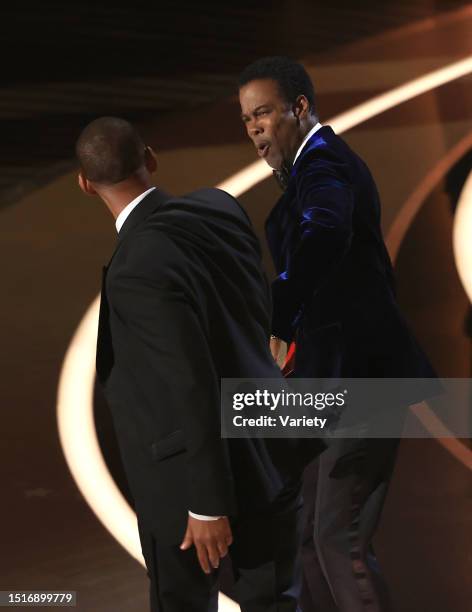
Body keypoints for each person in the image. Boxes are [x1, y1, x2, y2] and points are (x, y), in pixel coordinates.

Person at [76, 116, 324, 612]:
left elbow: (188, 382)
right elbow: (257, 308)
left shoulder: (135, 270)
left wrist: (207, 502)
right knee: (278, 600)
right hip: (269, 449)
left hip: (189, 490)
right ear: (150, 157)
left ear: (85, 185)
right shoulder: (219, 207)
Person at [238, 56, 437, 612]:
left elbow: (324, 231)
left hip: (363, 379)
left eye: (264, 113)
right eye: (247, 119)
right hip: (333, 380)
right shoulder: (310, 167)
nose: (254, 127)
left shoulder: (324, 162)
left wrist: (280, 312)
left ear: (300, 108)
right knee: (308, 538)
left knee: (338, 540)